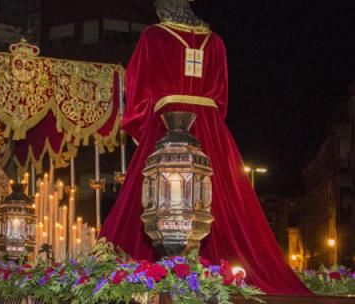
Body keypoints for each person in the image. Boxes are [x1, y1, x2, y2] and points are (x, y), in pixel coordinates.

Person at [99, 0, 310, 295]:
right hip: (210, 130)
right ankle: (218, 273)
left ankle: (157, 276)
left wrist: (142, 127)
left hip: (167, 125)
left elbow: (136, 91)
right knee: (225, 203)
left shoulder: (153, 37)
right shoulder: (216, 42)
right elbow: (221, 98)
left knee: (151, 201)